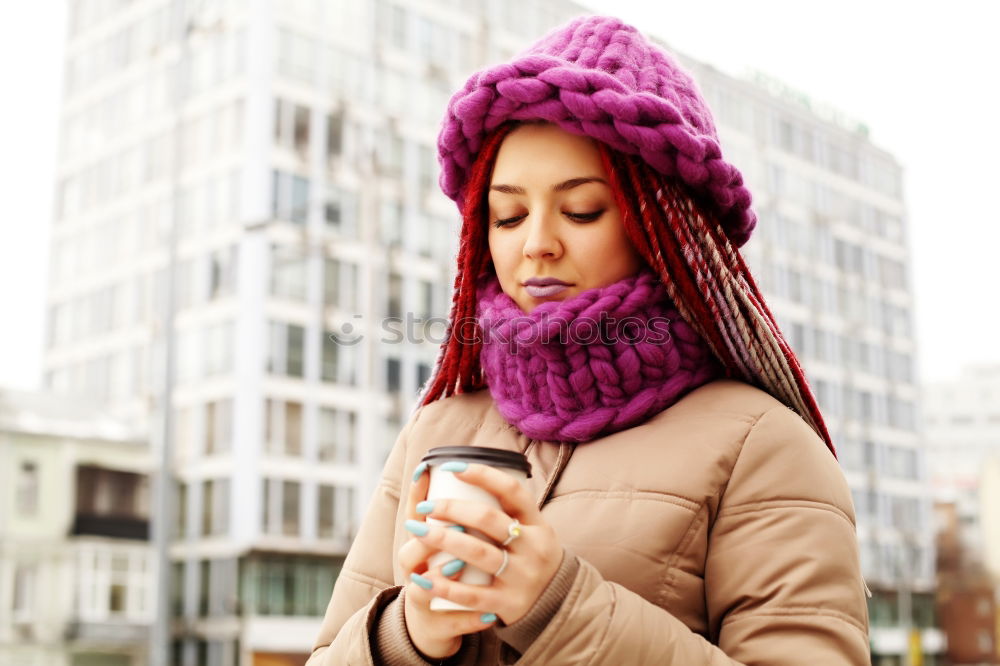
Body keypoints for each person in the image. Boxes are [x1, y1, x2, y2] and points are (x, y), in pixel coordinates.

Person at [308, 14, 870, 666]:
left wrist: (558, 605)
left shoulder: (762, 445)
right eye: (507, 214)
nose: (536, 243)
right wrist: (406, 635)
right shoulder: (435, 430)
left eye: (581, 210)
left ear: (663, 223)